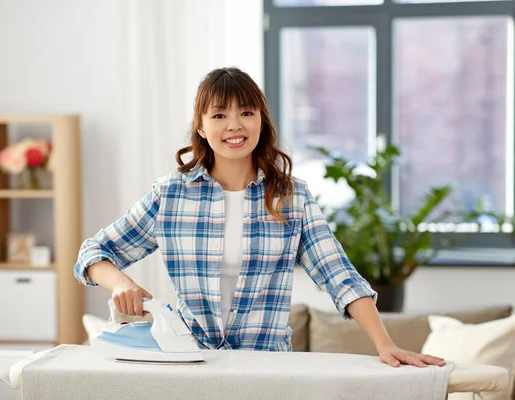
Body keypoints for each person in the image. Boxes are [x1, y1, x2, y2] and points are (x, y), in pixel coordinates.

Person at [74, 67, 445, 368]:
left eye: (246, 113)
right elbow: (93, 252)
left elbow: (339, 275)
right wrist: (121, 284)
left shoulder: (291, 197)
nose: (235, 125)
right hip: (189, 365)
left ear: (261, 121)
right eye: (220, 115)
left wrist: (385, 344)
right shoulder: (170, 194)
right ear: (202, 128)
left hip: (268, 369)